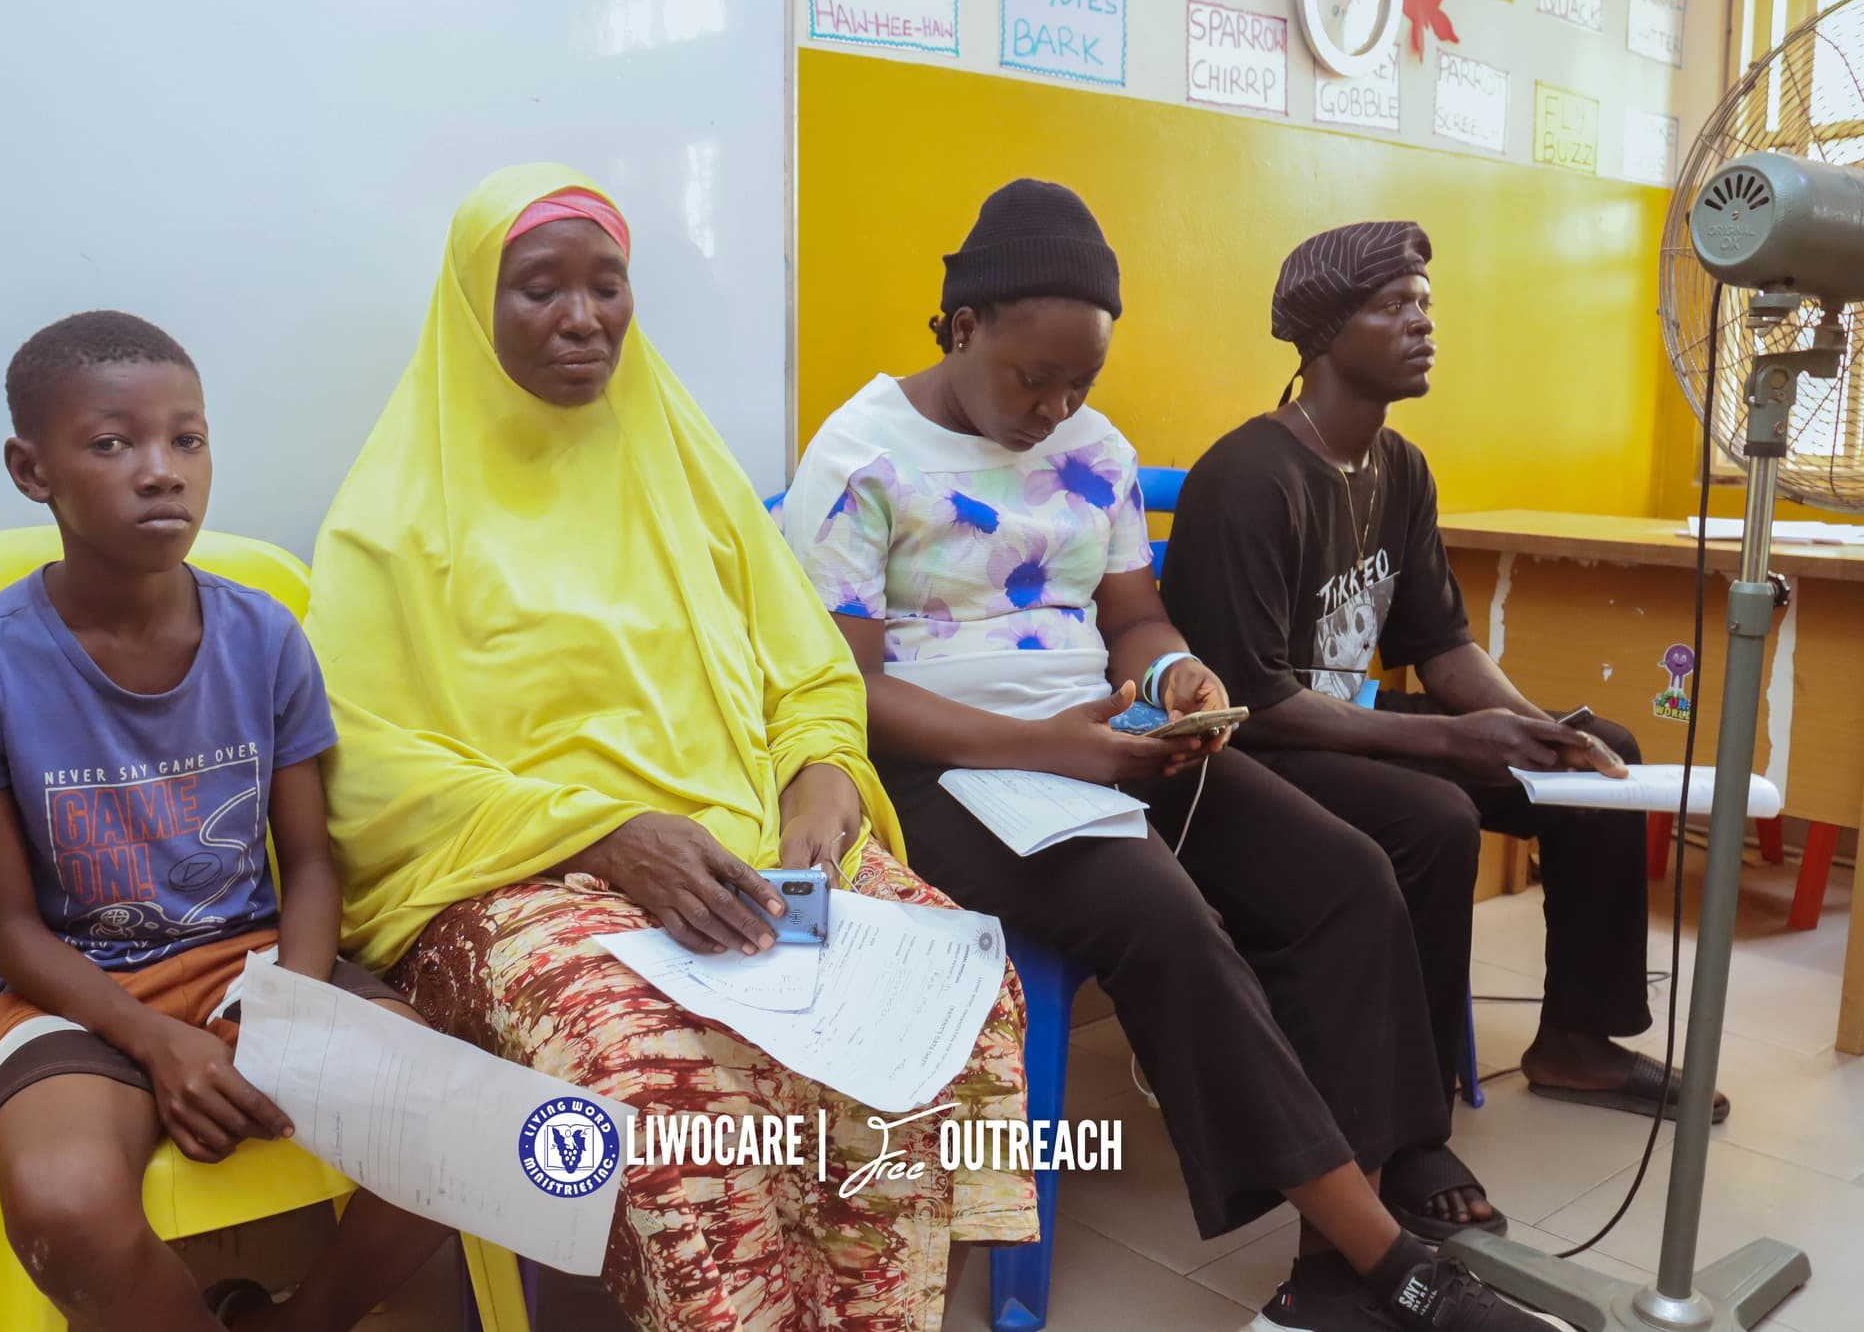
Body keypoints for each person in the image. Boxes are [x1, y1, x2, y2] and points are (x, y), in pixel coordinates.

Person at [783, 180, 1552, 1332]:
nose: (1053, 407)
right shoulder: (860, 456)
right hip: (938, 770)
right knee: (1161, 914)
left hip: (1098, 741)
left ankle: (1330, 1263)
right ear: (959, 327)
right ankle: (1385, 1262)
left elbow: (1134, 618)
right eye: (1029, 376)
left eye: (1077, 381)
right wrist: (1052, 748)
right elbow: (850, 692)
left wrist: (1168, 681)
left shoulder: (1093, 450)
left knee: (1344, 875)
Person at [301, 165, 1037, 1332]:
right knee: (653, 1058)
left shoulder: (684, 469)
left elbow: (807, 672)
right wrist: (603, 835)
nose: (582, 316)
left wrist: (819, 779)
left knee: (952, 987)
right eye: (538, 288)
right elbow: (369, 770)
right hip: (516, 877)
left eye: (607, 286)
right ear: (471, 310)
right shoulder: (391, 521)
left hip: (741, 839)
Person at [0, 312, 452, 1332]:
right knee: (63, 1208)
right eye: (112, 443)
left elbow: (311, 863)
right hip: (74, 994)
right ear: (31, 467)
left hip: (258, 966)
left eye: (186, 439)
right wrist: (153, 1040)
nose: (161, 471)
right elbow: (8, 928)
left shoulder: (264, 635)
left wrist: (285, 1007)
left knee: (465, 1126)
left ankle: (294, 1324)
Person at [1163, 221, 1727, 1124]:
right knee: (1435, 816)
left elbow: (1443, 645)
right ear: (1322, 334)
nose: (1423, 323)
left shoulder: (1401, 469)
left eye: (1425, 304)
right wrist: (1455, 738)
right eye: (1393, 305)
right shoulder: (1249, 479)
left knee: (1597, 756)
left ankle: (1577, 1039)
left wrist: (1533, 728)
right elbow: (1253, 704)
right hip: (1254, 754)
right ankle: (1410, 1114)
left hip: (1343, 729)